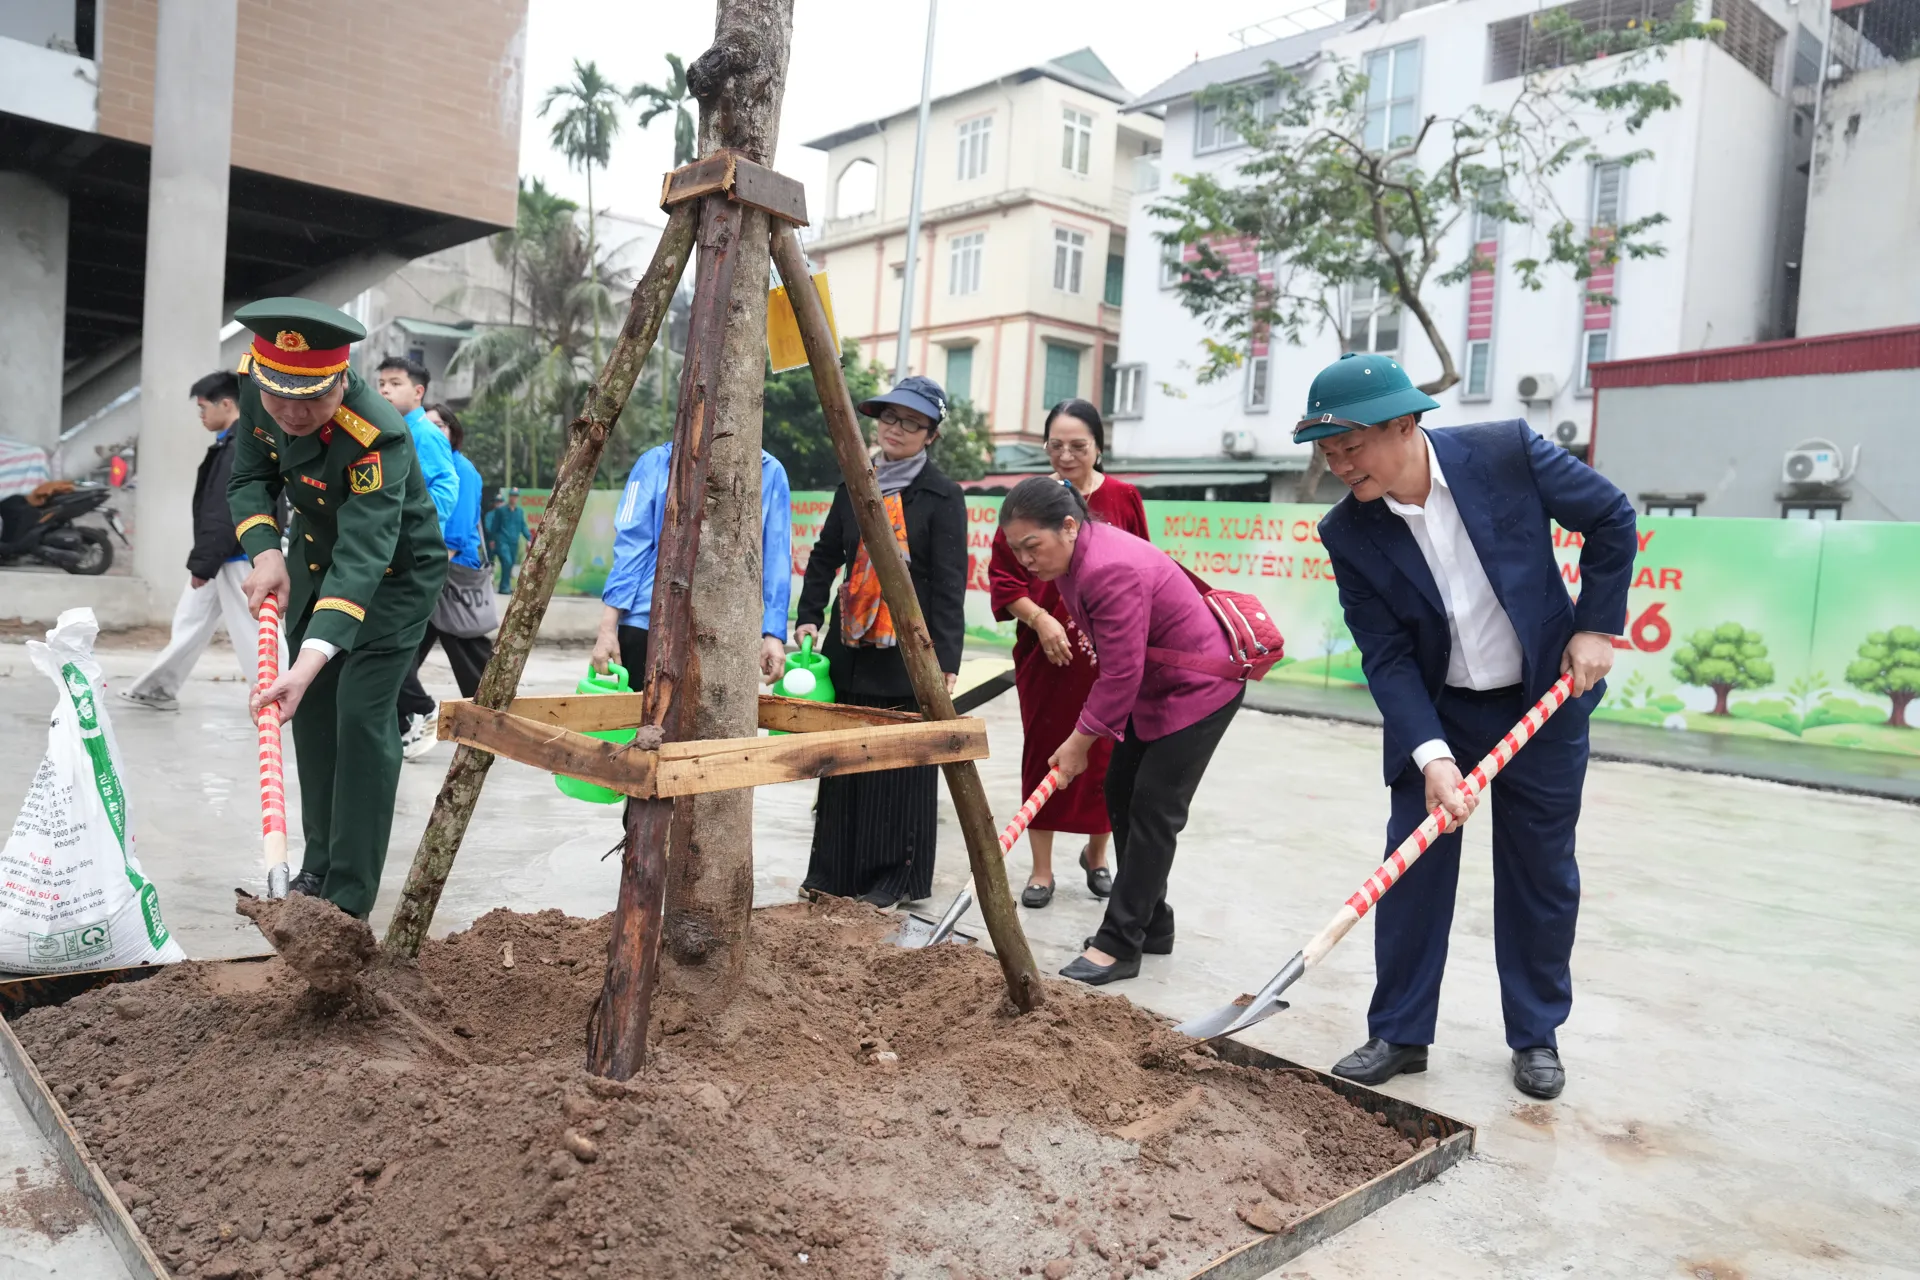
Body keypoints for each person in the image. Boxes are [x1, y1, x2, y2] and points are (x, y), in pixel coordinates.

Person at [1301, 351, 1637, 1101]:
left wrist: (1596, 626)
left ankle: (1536, 1034)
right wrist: (1431, 757)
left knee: (1540, 874)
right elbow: (1386, 656)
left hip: (1540, 702)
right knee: (1412, 869)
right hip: (1439, 714)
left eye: (1350, 447)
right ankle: (1399, 1031)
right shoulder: (1348, 532)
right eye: (1327, 453)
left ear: (1403, 424)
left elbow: (1612, 516)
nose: (1339, 466)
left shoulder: (1504, 453)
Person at [229, 297, 448, 921]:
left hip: (392, 578)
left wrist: (306, 662)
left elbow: (364, 554)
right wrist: (266, 552)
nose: (292, 413)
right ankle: (317, 868)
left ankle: (346, 900)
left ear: (341, 380)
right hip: (312, 561)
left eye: (312, 399)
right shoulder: (260, 390)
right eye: (279, 397)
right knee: (316, 718)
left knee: (359, 717)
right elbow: (249, 479)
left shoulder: (377, 432)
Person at [999, 476, 1244, 985]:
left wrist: (1078, 742)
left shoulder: (1107, 568)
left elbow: (1121, 673)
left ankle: (1119, 944)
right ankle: (1152, 924)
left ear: (1069, 526)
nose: (1025, 560)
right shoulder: (1073, 560)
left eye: (1032, 546)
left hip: (1200, 686)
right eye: (1016, 549)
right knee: (1121, 791)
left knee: (1153, 808)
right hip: (1157, 685)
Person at [794, 375, 966, 908]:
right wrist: (808, 616)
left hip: (909, 654)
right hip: (850, 645)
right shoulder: (855, 482)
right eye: (890, 417)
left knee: (899, 768)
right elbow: (826, 555)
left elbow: (950, 583)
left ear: (931, 435)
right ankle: (834, 872)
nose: (897, 429)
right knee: (843, 763)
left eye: (912, 423)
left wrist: (947, 659)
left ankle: (896, 877)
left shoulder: (943, 496)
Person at [989, 399, 1147, 909]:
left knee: (1108, 755)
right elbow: (1004, 579)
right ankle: (1041, 868)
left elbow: (1143, 568)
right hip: (1046, 657)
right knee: (1045, 752)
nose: (1066, 455)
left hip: (1111, 656)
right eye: (1055, 445)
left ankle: (1097, 857)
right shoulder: (1028, 501)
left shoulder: (1123, 497)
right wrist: (1041, 619)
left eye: (1078, 446)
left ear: (1099, 447)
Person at [119, 372, 272, 711]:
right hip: (223, 554)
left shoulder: (238, 448)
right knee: (190, 622)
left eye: (203, 408)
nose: (201, 415)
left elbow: (223, 511)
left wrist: (204, 563)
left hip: (236, 556)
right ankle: (156, 688)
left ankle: (276, 694)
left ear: (227, 404)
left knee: (253, 631)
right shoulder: (231, 444)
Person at [592, 442, 793, 688]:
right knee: (643, 712)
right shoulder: (656, 462)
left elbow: (777, 557)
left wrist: (773, 634)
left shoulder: (769, 471)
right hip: (649, 622)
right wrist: (607, 628)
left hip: (727, 632)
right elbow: (630, 548)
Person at [397, 403, 495, 759]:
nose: (434, 431)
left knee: (470, 656)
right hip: (430, 569)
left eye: (441, 425)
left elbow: (458, 528)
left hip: (449, 572)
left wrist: (433, 568)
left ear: (453, 431)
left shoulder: (460, 469)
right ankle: (404, 720)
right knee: (401, 652)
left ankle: (494, 726)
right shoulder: (421, 464)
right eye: (428, 425)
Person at [373, 355, 459, 530]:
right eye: (382, 384)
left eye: (395, 383)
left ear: (418, 392)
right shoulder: (388, 430)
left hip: (413, 539)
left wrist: (405, 515)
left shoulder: (426, 434)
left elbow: (446, 493)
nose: (385, 390)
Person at [484, 489, 529, 594]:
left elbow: (523, 526)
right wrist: (492, 539)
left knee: (510, 564)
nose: (514, 498)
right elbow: (494, 526)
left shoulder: (519, 512)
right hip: (502, 541)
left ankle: (505, 587)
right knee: (506, 561)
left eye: (516, 496)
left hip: (514, 542)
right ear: (509, 497)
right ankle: (503, 587)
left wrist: (529, 538)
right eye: (512, 495)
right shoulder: (501, 511)